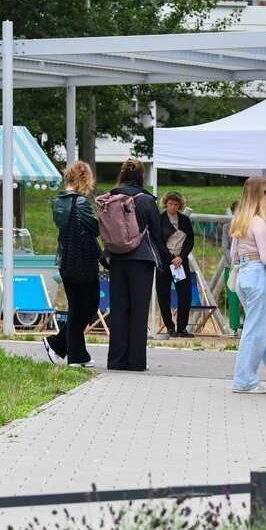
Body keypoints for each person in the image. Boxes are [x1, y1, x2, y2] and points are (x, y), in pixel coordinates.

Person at [103, 159, 166, 372]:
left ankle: (116, 360)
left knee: (119, 310)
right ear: (141, 176)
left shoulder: (111, 197)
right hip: (141, 259)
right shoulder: (147, 200)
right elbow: (157, 233)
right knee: (139, 312)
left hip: (117, 259)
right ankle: (136, 361)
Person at [44, 161, 102, 368]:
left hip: (65, 260)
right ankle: (62, 346)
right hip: (83, 261)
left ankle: (77, 354)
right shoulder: (79, 203)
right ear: (84, 179)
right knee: (89, 305)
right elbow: (94, 229)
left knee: (77, 307)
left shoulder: (58, 201)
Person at [229, 176, 266, 393]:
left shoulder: (240, 219)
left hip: (243, 274)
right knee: (255, 330)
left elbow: (233, 253)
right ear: (260, 194)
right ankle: (244, 380)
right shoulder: (259, 222)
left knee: (264, 327)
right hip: (258, 274)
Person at [155, 191, 196, 337]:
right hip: (165, 262)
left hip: (180, 261)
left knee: (185, 294)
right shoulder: (160, 219)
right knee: (163, 294)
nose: (172, 206)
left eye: (176, 204)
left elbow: (190, 241)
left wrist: (181, 257)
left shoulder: (184, 220)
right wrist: (171, 257)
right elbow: (158, 241)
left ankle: (182, 327)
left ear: (180, 205)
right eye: (170, 203)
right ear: (166, 203)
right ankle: (169, 326)